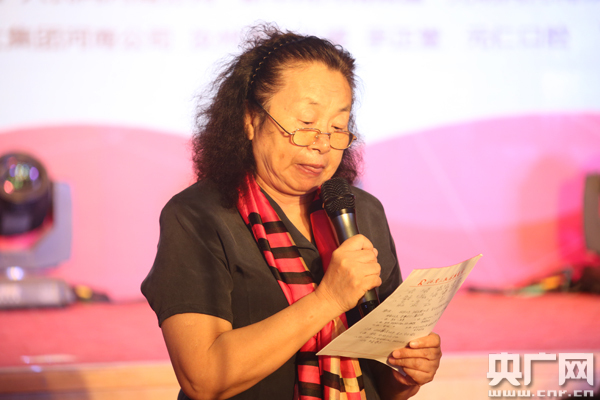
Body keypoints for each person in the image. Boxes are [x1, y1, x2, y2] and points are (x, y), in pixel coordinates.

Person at [141, 23, 441, 400]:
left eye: (337, 127)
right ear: (251, 120)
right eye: (305, 124)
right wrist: (328, 300)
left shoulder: (361, 212)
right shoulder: (198, 216)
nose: (322, 144)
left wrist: (407, 373)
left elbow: (383, 380)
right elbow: (203, 377)